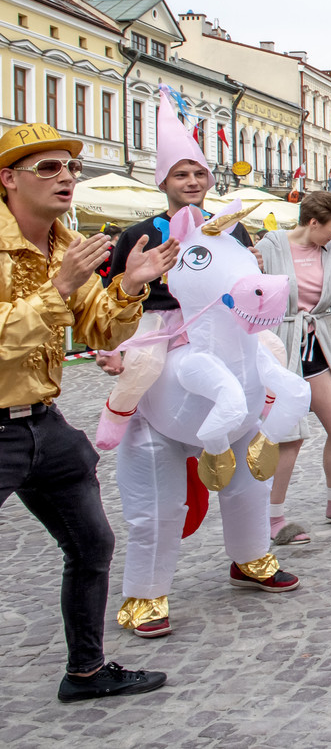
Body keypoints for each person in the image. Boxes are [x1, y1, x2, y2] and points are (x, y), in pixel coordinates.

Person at [0, 123, 177, 702]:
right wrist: (60, 287)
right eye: (48, 168)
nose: (67, 177)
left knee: (91, 544)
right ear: (8, 179)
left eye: (71, 168)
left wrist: (128, 287)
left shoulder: (65, 243)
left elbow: (101, 330)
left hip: (42, 422)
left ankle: (86, 671)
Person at [94, 93, 258, 438]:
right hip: (158, 322)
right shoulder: (139, 235)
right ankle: (116, 419)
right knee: (144, 366)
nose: (192, 181)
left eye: (199, 173)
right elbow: (112, 294)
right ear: (163, 182)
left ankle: (264, 413)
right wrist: (110, 347)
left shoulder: (231, 228)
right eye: (181, 174)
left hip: (218, 322)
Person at [257, 191, 331, 545]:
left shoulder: (330, 251)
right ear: (313, 222)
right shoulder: (271, 246)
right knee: (288, 436)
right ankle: (272, 519)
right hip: (280, 347)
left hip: (314, 345)